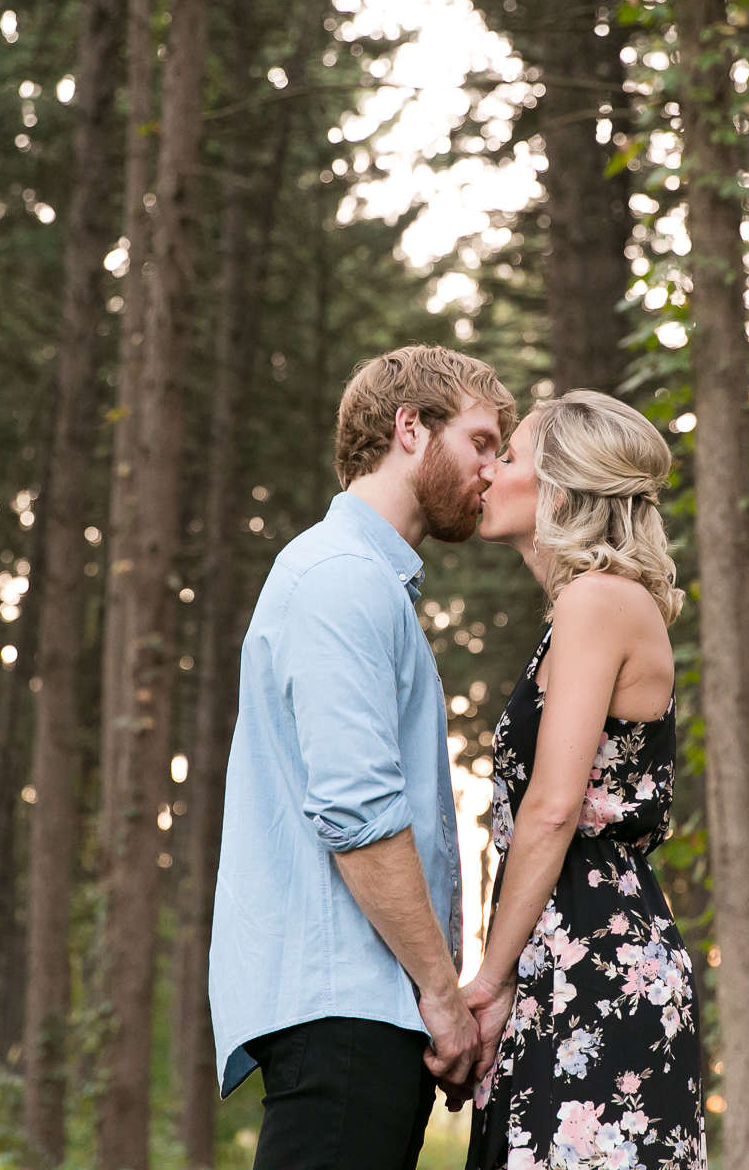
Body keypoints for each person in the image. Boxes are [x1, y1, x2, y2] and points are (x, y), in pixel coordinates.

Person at [208, 345, 519, 1169]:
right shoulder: (343, 576)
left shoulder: (366, 581)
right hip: (344, 1011)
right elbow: (358, 814)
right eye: (482, 442)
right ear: (410, 428)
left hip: (359, 1011)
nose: (492, 470)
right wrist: (443, 997)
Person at [464, 390, 707, 1170]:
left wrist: (487, 982)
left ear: (560, 490)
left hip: (593, 966)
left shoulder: (597, 602)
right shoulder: (589, 606)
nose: (487, 473)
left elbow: (552, 807)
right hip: (564, 954)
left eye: (508, 457)